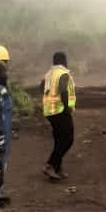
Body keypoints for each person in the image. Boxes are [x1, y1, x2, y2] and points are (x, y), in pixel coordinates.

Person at [41, 52, 76, 181]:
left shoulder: (49, 74)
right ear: (64, 61)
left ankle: (57, 168)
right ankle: (50, 164)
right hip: (60, 111)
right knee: (68, 139)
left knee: (59, 140)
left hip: (50, 112)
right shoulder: (63, 73)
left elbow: (41, 87)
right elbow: (63, 90)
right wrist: (66, 108)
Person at [0, 48, 12, 208]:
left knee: (1, 167)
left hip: (3, 134)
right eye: (2, 64)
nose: (5, 68)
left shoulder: (2, 87)